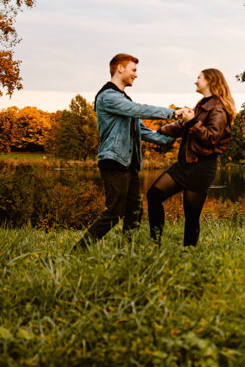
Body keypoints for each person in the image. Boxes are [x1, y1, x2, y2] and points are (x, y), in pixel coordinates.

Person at [73, 53, 184, 250]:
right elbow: (138, 110)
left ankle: (127, 252)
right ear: (120, 68)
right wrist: (172, 113)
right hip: (113, 160)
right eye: (134, 70)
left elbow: (141, 130)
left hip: (128, 163)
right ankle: (78, 250)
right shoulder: (108, 96)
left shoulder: (124, 99)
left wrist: (172, 136)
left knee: (135, 211)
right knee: (115, 211)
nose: (136, 75)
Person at [147, 68, 236, 247]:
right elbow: (182, 127)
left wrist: (192, 121)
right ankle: (154, 243)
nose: (196, 81)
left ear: (210, 81)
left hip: (202, 168)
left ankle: (189, 253)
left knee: (191, 214)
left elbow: (211, 138)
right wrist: (155, 133)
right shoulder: (203, 104)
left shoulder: (218, 108)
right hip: (184, 164)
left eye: (199, 78)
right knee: (154, 195)